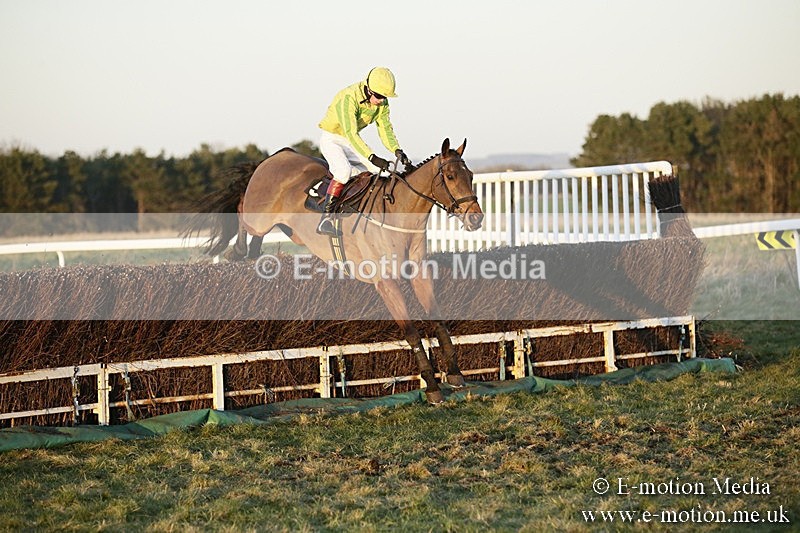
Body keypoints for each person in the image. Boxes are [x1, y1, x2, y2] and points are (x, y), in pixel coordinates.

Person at [316, 67, 411, 236]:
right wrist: (372, 157)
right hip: (332, 138)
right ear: (368, 89)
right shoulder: (348, 97)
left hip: (349, 141)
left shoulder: (382, 104)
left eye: (385, 97)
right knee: (343, 172)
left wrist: (397, 150)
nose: (381, 101)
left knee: (378, 171)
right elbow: (351, 133)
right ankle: (326, 219)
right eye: (379, 96)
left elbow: (385, 129)